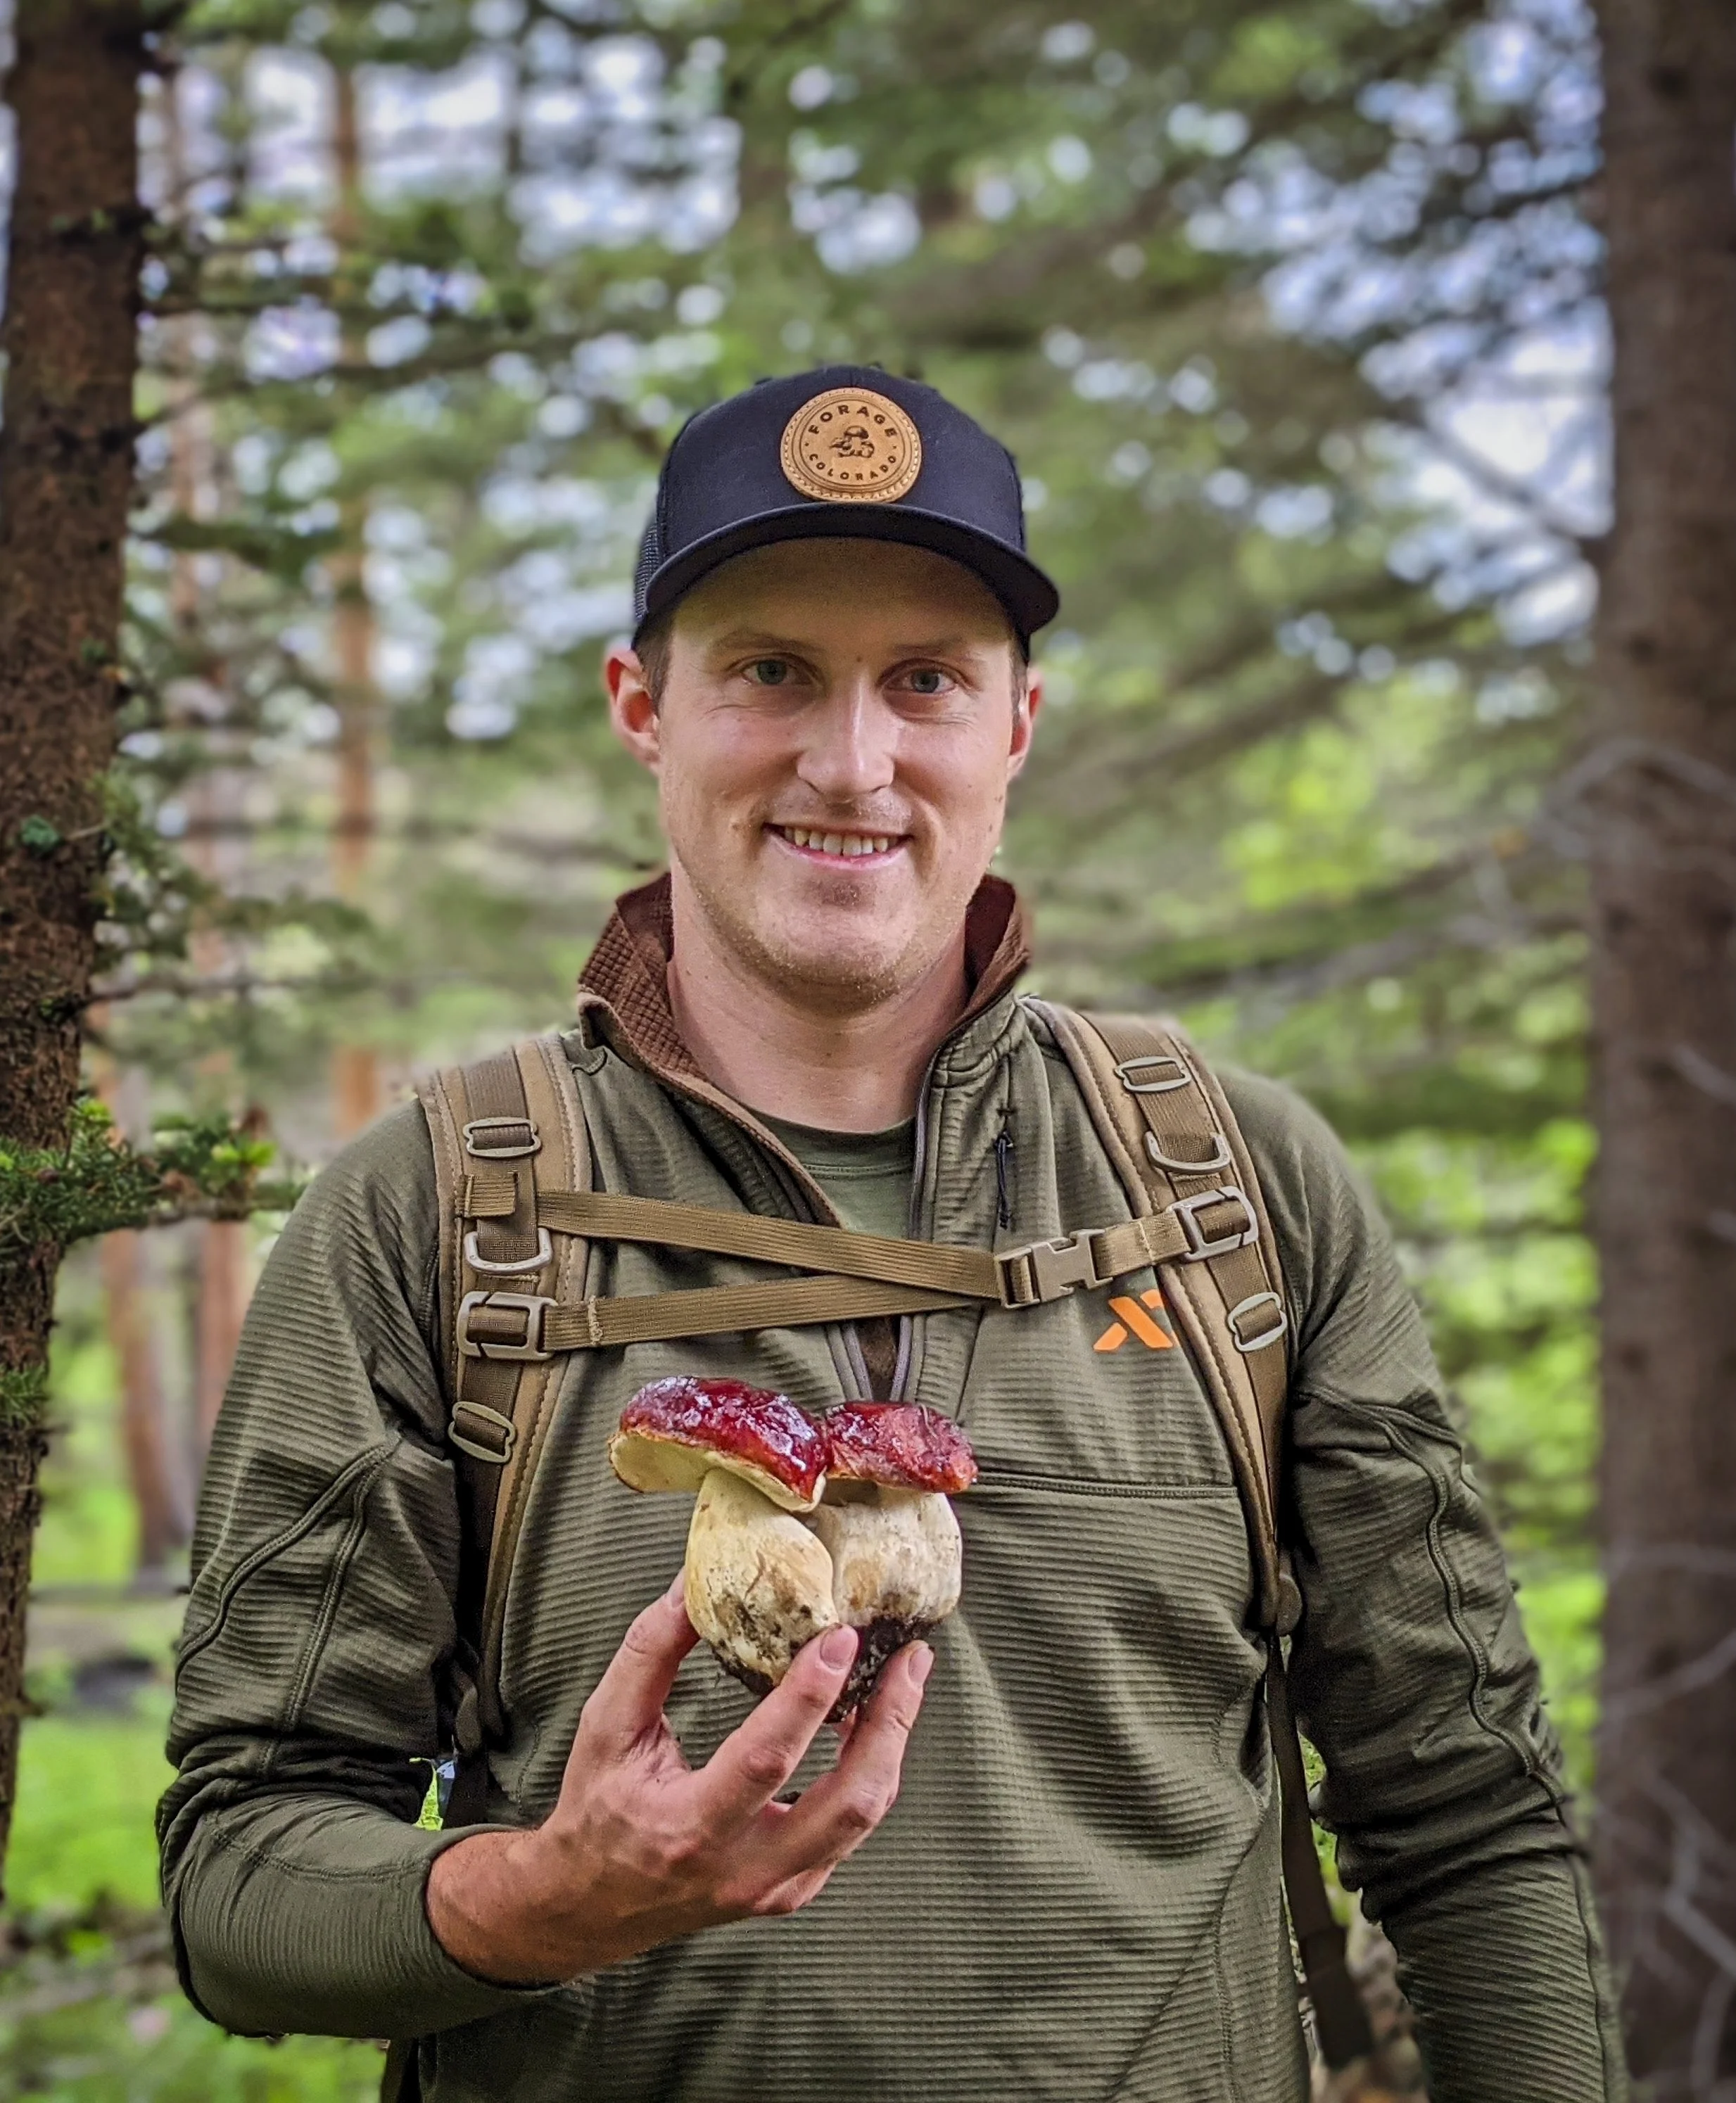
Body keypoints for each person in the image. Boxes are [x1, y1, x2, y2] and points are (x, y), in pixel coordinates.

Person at [159, 367, 1626, 2102]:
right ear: (646, 705)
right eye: (771, 670)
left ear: (1015, 725)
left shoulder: (1238, 1192)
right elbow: (239, 1872)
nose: (849, 761)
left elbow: (1472, 1823)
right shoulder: (434, 1210)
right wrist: (539, 1900)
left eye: (924, 681)